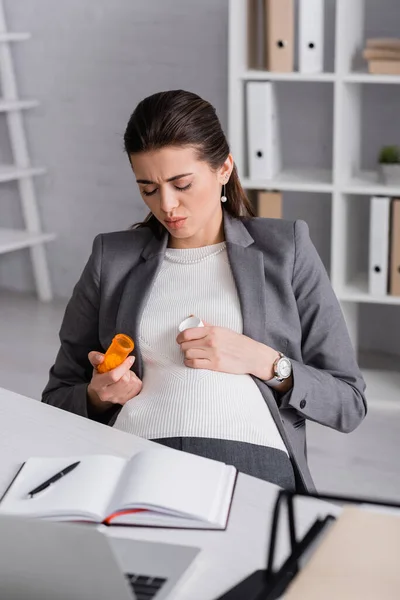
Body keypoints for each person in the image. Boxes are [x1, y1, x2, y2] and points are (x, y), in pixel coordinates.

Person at [42, 89, 367, 492]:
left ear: (223, 168)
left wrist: (265, 361)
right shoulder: (112, 258)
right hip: (133, 453)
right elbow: (56, 396)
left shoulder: (286, 248)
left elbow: (349, 403)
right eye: (148, 188)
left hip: (251, 457)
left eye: (182, 184)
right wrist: (96, 396)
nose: (167, 205)